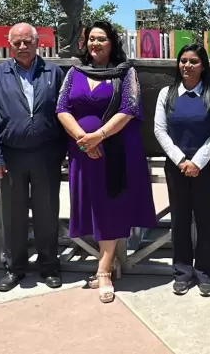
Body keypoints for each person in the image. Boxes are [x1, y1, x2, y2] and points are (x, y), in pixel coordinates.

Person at [56, 21, 157, 303]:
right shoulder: (74, 72)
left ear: (112, 42)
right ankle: (107, 261)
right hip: (82, 151)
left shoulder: (126, 73)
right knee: (92, 207)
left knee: (110, 206)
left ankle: (103, 271)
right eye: (91, 39)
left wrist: (97, 137)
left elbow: (130, 108)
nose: (95, 44)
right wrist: (82, 138)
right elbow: (61, 108)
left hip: (115, 152)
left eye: (101, 39)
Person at [0, 23, 67, 292]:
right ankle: (15, 268)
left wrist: (62, 151)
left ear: (37, 42)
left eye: (27, 41)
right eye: (17, 42)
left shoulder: (54, 72)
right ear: (9, 45)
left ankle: (49, 266)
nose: (22, 46)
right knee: (13, 215)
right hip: (11, 156)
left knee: (47, 214)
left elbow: (65, 113)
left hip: (46, 155)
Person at [154, 44, 210, 297]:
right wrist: (181, 160)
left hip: (204, 169)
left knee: (205, 222)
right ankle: (182, 272)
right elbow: (159, 131)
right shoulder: (167, 94)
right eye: (183, 60)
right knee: (180, 221)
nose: (187, 65)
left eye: (193, 61)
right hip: (176, 168)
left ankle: (206, 273)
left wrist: (197, 162)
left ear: (203, 65)